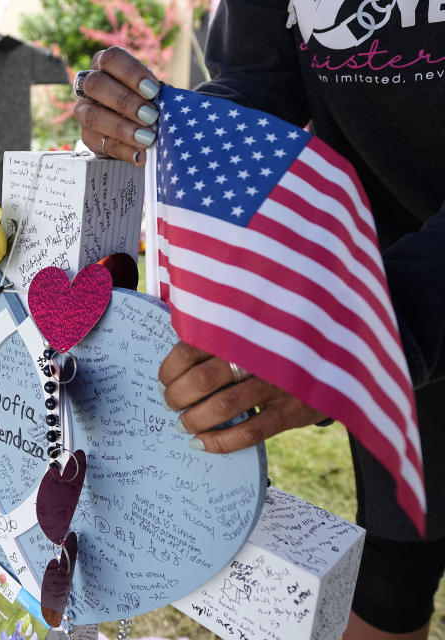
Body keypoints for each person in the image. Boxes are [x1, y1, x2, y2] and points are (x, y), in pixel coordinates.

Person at [72, 3, 445, 638]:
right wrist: (171, 126)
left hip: (385, 306)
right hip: (375, 286)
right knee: (392, 571)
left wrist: (358, 330)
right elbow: (258, 75)